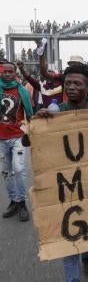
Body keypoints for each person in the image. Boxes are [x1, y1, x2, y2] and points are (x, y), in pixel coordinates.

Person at [36, 62, 88, 282]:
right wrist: (39, 123)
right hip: (64, 187)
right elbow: (31, 141)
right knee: (69, 234)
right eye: (68, 84)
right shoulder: (55, 112)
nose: (71, 87)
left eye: (77, 84)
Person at [0, 59, 33, 222]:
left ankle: (22, 203)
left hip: (18, 137)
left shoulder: (22, 91)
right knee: (6, 172)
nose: (7, 74)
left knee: (18, 169)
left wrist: (30, 130)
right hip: (1, 139)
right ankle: (13, 201)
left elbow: (30, 114)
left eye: (10, 71)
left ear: (15, 73)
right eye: (4, 71)